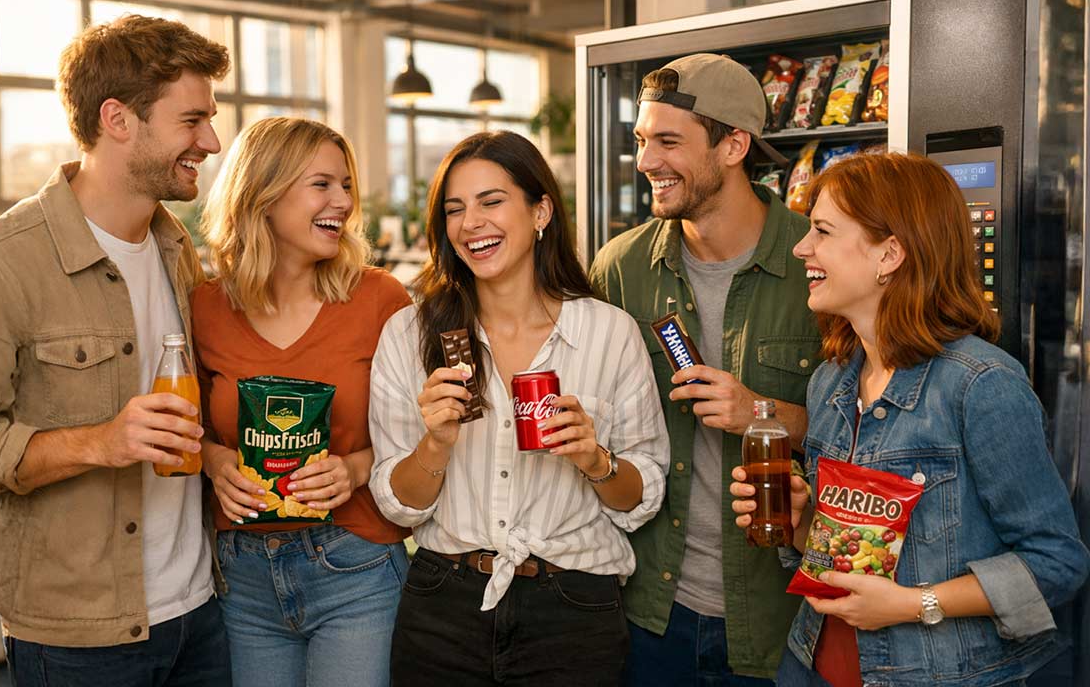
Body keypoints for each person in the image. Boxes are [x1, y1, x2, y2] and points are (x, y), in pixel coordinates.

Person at [0, 15, 232, 686]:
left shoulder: (178, 251)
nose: (211, 140)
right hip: (78, 639)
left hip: (202, 615)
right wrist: (101, 442)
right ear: (118, 119)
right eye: (191, 120)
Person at [730, 152, 1090, 686]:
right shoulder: (832, 380)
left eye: (823, 231)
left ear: (890, 254)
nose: (802, 247)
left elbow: (1057, 563)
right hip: (810, 665)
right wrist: (802, 519)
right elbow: (848, 557)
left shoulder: (980, 385)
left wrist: (912, 604)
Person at [368, 130, 669, 686]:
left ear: (541, 212)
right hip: (444, 605)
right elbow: (399, 506)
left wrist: (593, 458)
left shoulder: (608, 334)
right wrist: (435, 442)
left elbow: (642, 497)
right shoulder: (410, 334)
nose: (470, 223)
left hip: (573, 611)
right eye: (454, 209)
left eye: (491, 201)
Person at [588, 53, 819, 684]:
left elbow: (873, 435)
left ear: (733, 145)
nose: (645, 162)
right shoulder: (620, 269)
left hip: (780, 614)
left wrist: (759, 413)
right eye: (641, 141)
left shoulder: (815, 263)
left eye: (668, 141)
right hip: (650, 613)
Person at [193, 117, 411, 686]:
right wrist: (216, 463)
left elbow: (420, 438)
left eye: (345, 185)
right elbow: (187, 430)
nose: (343, 200)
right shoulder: (205, 306)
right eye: (322, 184)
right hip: (243, 578)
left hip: (355, 566)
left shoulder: (379, 298)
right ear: (263, 193)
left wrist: (354, 469)